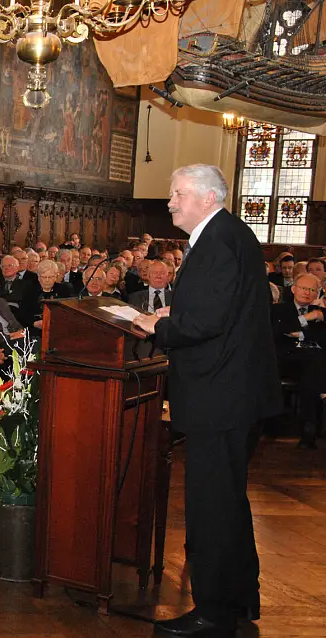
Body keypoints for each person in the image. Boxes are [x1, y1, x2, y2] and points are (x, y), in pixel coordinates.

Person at [133, 165, 281, 637]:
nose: (171, 202)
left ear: (207, 197)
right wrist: (182, 313)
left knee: (213, 506)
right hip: (233, 393)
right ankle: (236, 601)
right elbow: (222, 309)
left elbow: (205, 325)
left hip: (221, 395)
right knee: (228, 503)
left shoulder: (216, 240)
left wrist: (159, 326)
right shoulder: (229, 234)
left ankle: (213, 613)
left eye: (177, 194)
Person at [270, 272, 326, 449]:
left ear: (317, 293)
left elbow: (324, 336)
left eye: (312, 290)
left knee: (314, 365)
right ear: (293, 289)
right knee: (316, 365)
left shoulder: (322, 313)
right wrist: (305, 319)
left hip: (314, 363)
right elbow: (276, 331)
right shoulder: (278, 309)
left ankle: (309, 428)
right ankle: (311, 424)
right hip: (287, 360)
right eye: (303, 288)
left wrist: (298, 332)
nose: (307, 292)